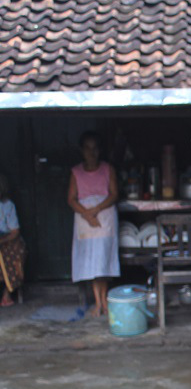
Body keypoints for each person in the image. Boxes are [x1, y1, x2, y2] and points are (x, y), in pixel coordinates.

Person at [68, 131, 119, 317]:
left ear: (100, 150)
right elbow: (72, 199)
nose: (92, 152)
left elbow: (113, 194)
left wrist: (95, 210)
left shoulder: (108, 169)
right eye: (88, 148)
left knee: (103, 261)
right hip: (85, 221)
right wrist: (87, 214)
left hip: (104, 219)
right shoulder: (76, 172)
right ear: (82, 150)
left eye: (95, 148)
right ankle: (99, 303)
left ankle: (103, 301)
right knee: (92, 262)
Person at [0, 173, 26, 307]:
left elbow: (15, 232)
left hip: (6, 239)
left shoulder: (7, 205)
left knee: (15, 251)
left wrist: (2, 241)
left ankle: (7, 294)